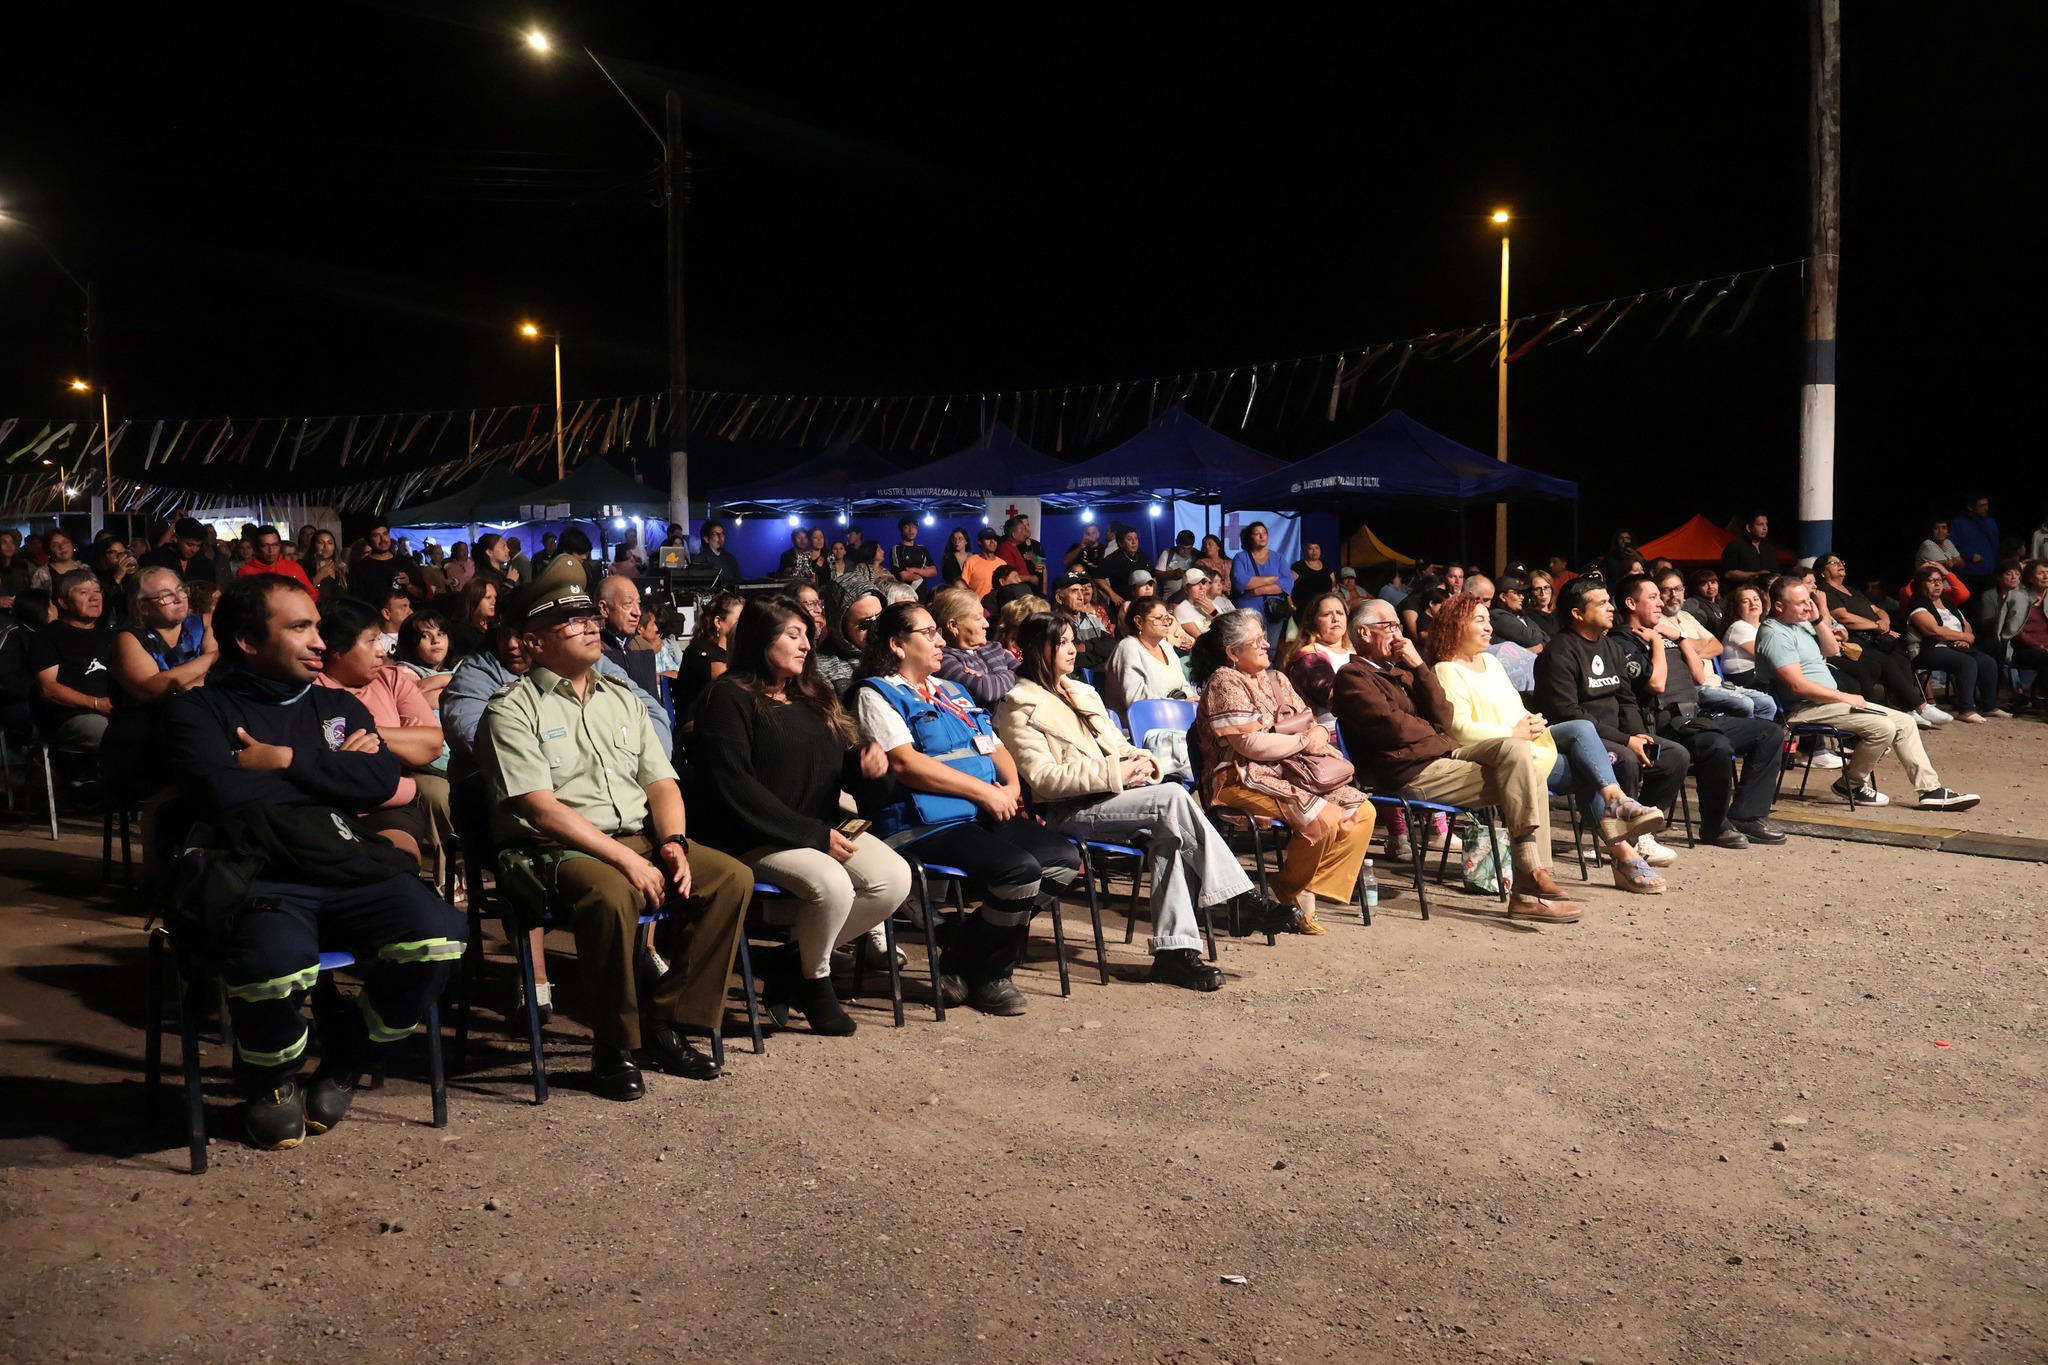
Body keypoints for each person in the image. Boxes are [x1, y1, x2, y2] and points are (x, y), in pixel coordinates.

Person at [161, 573, 467, 1149]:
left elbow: (379, 779)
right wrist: (330, 772)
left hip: (345, 866)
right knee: (274, 964)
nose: (319, 642)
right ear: (249, 641)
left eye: (318, 628)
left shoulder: (332, 702)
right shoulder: (197, 712)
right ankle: (272, 1081)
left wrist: (284, 760)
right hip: (259, 876)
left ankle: (349, 1055)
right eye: (300, 628)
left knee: (440, 934)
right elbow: (221, 794)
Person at [476, 555, 750, 1098]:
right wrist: (626, 858)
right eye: (571, 622)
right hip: (557, 849)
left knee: (730, 879)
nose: (590, 626)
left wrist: (671, 843)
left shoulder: (622, 699)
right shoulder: (511, 709)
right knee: (611, 894)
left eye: (588, 617)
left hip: (639, 835)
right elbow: (540, 809)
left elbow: (661, 784)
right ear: (533, 643)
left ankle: (664, 1021)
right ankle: (612, 1043)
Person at [998, 613, 1260, 989]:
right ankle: (1240, 900)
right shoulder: (1017, 705)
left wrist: (1141, 762)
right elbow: (1044, 780)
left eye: (1074, 641)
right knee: (1172, 798)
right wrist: (1114, 773)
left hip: (1118, 798)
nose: (1074, 649)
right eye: (1063, 643)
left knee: (1170, 835)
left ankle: (1175, 953)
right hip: (1071, 811)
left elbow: (1120, 746)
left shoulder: (1082, 692)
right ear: (1038, 649)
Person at [690, 596, 907, 1035]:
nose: (806, 644)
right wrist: (812, 834)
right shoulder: (727, 698)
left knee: (893, 878)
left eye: (808, 634)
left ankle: (789, 962)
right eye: (793, 634)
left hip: (816, 828)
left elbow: (843, 765)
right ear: (759, 639)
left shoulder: (814, 694)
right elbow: (735, 786)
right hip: (751, 833)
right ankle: (815, 982)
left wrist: (869, 767)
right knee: (832, 885)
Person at [852, 601, 1081, 1015]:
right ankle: (994, 976)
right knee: (1019, 869)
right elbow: (905, 764)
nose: (941, 640)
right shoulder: (877, 693)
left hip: (977, 812)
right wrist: (983, 792)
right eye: (929, 633)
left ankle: (961, 954)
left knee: (1063, 859)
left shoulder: (951, 691)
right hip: (921, 820)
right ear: (898, 645)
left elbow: (993, 746)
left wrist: (1010, 786)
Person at [1355, 595, 1664, 900]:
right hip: (1490, 750)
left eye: (1489, 619)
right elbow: (1453, 728)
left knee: (1582, 731)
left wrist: (1531, 723)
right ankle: (1619, 853)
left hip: (1519, 743)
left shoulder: (1488, 661)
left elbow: (1508, 709)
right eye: (1479, 620)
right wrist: (1512, 732)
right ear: (1455, 626)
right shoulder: (1443, 670)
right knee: (1588, 772)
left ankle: (1616, 805)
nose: (1489, 627)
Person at [1190, 609, 1374, 931]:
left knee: (1362, 810)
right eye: (1256, 641)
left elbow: (1311, 721)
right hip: (1240, 777)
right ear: (1232, 653)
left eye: (1263, 637)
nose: (1266, 645)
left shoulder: (1275, 678)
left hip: (1290, 769)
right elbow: (1250, 745)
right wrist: (1305, 741)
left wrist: (1316, 734)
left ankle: (1291, 885)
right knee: (1323, 819)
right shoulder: (1224, 681)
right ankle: (1296, 894)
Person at [1758, 578, 1979, 810]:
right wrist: (1845, 696)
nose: (1807, 606)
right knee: (1883, 728)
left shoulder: (1801, 623)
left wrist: (1817, 619)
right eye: (1800, 602)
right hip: (1803, 709)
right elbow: (1797, 686)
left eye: (1808, 600)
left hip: (1826, 704)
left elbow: (1832, 650)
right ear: (1779, 606)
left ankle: (1930, 790)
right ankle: (1851, 784)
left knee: (1905, 722)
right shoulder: (1775, 634)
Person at [1611, 575, 1787, 848]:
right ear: (1631, 603)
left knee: (1769, 733)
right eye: (1653, 597)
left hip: (1692, 717)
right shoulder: (1623, 641)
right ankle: (1714, 827)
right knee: (1715, 745)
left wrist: (1680, 638)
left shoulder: (1665, 634)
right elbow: (1655, 685)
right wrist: (1657, 644)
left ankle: (1746, 816)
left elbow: (1697, 677)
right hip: (1660, 723)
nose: (1661, 603)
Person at [1532, 577, 1689, 868]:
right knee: (1626, 759)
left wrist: (1640, 734)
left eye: (1609, 601)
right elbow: (1568, 714)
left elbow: (1626, 699)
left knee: (1674, 756)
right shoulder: (1559, 653)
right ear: (1578, 613)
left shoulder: (1610, 646)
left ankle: (1641, 830)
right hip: (1578, 738)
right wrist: (1627, 741)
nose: (1610, 608)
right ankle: (1616, 839)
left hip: (1616, 734)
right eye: (1601, 603)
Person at [313, 595, 445, 873]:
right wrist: (400, 738)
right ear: (337, 649)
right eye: (371, 641)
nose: (381, 652)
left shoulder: (392, 679)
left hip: (389, 808)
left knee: (397, 865)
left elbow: (431, 745)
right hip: (327, 810)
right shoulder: (311, 689)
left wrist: (371, 734)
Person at [105, 567, 217, 809]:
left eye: (180, 590)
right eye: (166, 595)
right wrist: (208, 661)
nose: (179, 598)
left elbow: (219, 678)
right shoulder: (129, 638)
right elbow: (151, 689)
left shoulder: (204, 623)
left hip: (199, 728)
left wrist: (182, 683)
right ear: (142, 606)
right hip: (145, 740)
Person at [1817, 553, 1939, 725]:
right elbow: (1845, 618)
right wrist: (1876, 625)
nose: (1839, 564)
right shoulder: (1826, 591)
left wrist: (1884, 622)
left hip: (1875, 637)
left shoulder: (1852, 590)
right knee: (1884, 662)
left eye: (1840, 561)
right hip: (1855, 641)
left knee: (1901, 658)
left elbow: (1877, 609)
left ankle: (1909, 709)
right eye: (1833, 562)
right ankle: (1921, 706)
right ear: (1822, 571)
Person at [30, 569, 119, 760]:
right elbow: (48, 688)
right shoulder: (48, 636)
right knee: (116, 735)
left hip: (116, 710)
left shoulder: (113, 635)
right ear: (63, 602)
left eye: (97, 591)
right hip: (71, 715)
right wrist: (96, 704)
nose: (94, 598)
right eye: (84, 592)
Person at [1904, 564, 2007, 722]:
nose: (1938, 584)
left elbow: (1964, 623)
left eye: (1940, 580)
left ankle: (1989, 706)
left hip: (1953, 646)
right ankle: (1966, 709)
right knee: (1966, 662)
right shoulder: (1917, 603)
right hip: (1927, 650)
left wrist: (1966, 636)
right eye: (1931, 581)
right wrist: (1961, 636)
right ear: (1920, 584)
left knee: (1987, 662)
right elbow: (1933, 631)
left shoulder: (1946, 601)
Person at [932, 586, 1019, 706]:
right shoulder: (941, 659)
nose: (986, 624)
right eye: (978, 618)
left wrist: (990, 679)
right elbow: (984, 690)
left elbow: (1030, 674)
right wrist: (1013, 675)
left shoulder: (994, 648)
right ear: (953, 625)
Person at [1280, 592, 1353, 728]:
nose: (1335, 618)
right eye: (1327, 614)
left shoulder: (1355, 652)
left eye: (1340, 613)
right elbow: (1332, 696)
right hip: (1331, 734)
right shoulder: (1309, 657)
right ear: (1312, 621)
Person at [673, 590, 742, 724]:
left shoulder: (734, 651)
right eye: (739, 620)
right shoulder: (700, 649)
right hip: (697, 726)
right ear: (718, 622)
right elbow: (726, 680)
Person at [1230, 521, 1295, 649]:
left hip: (1274, 612)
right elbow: (1240, 581)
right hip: (1249, 613)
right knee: (1250, 648)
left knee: (1270, 649)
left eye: (1264, 533)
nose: (1262, 536)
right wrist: (1270, 579)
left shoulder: (1278, 558)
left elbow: (1287, 582)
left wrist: (1259, 590)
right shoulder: (1241, 558)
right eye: (1257, 534)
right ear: (1249, 538)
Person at [598, 577, 662, 699]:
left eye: (638, 604)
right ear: (604, 609)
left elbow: (653, 700)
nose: (637, 612)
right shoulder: (591, 649)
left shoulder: (645, 648)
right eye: (628, 604)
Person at [1050, 570, 1115, 671]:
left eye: (1081, 591)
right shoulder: (1053, 626)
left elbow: (1113, 647)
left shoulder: (1094, 620)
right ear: (1059, 598)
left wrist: (1086, 646)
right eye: (1074, 591)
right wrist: (1099, 658)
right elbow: (1075, 661)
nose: (1081, 597)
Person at [349, 520, 424, 607]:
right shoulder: (359, 568)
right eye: (376, 535)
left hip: (407, 618)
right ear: (368, 540)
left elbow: (422, 596)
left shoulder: (406, 563)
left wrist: (408, 585)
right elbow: (355, 603)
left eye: (385, 534)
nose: (383, 539)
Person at [235, 526, 314, 594]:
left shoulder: (293, 567)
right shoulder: (246, 571)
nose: (271, 550)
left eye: (275, 545)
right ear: (256, 548)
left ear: (280, 546)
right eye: (265, 546)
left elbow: (311, 593)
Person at [1089, 526, 1148, 610]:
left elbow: (1152, 576)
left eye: (1136, 538)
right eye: (1129, 539)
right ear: (1120, 543)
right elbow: (1097, 577)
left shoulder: (1142, 556)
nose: (1134, 542)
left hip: (1142, 602)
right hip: (1122, 604)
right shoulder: (1113, 558)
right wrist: (1112, 594)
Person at [1488, 576, 1552, 653]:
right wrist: (1542, 644)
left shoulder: (1522, 615)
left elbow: (1547, 638)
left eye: (1521, 593)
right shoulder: (1497, 615)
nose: (1522, 597)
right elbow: (1529, 638)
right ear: (1503, 596)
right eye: (1516, 593)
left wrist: (1540, 646)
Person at [1949, 496, 2000, 588]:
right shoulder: (1958, 523)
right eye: (1982, 505)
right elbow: (1951, 545)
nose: (1986, 508)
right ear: (1970, 507)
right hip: (1967, 573)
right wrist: (1969, 555)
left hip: (1989, 573)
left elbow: (1995, 545)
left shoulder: (1990, 522)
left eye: (1987, 505)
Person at [445, 576, 498, 660]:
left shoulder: (496, 627)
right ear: (473, 599)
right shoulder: (459, 630)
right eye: (488, 597)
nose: (494, 602)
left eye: (495, 597)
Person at [1172, 567, 1232, 639]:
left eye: (1203, 583)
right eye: (1196, 583)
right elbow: (1200, 638)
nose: (1202, 587)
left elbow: (1229, 629)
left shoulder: (1213, 605)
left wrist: (1214, 612)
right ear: (1186, 589)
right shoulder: (1182, 608)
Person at [1719, 511, 1781, 579]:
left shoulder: (1769, 547)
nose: (1765, 528)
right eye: (1760, 524)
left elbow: (1776, 571)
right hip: (1744, 588)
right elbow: (1728, 573)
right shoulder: (1735, 546)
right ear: (1749, 527)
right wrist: (1753, 575)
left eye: (1766, 524)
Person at [997, 515, 1046, 596]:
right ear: (1014, 534)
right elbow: (1007, 575)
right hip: (1015, 593)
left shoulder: (1017, 547)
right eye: (1022, 530)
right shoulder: (1006, 548)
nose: (1025, 532)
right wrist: (1030, 578)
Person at [887, 518, 937, 595]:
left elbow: (933, 572)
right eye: (906, 527)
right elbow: (903, 575)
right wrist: (922, 573)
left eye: (913, 527)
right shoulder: (897, 549)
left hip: (922, 593)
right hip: (903, 594)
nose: (911, 530)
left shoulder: (922, 549)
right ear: (901, 531)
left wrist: (913, 570)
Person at [690, 520, 745, 585]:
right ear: (706, 539)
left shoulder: (731, 558)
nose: (720, 537)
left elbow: (738, 580)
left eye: (722, 534)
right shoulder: (700, 559)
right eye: (716, 534)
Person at [1290, 540, 1335, 614]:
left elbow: (1334, 585)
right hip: (1304, 610)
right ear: (1305, 550)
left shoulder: (1326, 566)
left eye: (1317, 548)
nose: (1314, 551)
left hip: (1324, 608)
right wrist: (1291, 605)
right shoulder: (1298, 567)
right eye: (1310, 548)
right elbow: (1287, 587)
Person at [1680, 568, 1725, 635]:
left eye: (1713, 582)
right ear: (1697, 587)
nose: (1710, 587)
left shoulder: (1722, 602)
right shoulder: (1693, 602)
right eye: (1704, 584)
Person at [1154, 529, 1199, 595]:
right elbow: (1157, 574)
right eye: (1182, 548)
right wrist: (1172, 574)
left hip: (1191, 598)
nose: (1185, 551)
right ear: (1176, 542)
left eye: (1188, 549)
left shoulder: (1196, 555)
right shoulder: (1168, 553)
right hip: (1170, 598)